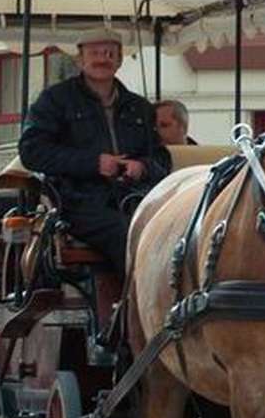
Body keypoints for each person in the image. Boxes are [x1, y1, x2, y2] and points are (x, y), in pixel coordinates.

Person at [18, 29, 168, 276]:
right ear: (79, 60)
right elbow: (31, 151)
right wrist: (93, 163)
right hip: (77, 202)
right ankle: (136, 304)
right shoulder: (55, 100)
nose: (102, 59)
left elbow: (160, 158)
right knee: (125, 232)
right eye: (95, 53)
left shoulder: (139, 107)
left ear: (119, 61)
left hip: (134, 196)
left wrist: (141, 166)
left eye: (109, 53)